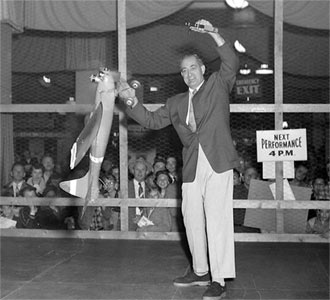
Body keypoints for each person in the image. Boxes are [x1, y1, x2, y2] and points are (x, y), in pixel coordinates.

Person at [119, 19, 239, 299]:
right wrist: (131, 101)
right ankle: (200, 271)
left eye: (193, 68)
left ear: (203, 69)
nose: (188, 74)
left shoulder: (218, 84)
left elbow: (231, 62)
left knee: (217, 221)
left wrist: (214, 34)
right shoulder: (175, 103)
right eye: (183, 71)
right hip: (193, 167)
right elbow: (149, 120)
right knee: (192, 219)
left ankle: (219, 279)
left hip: (219, 162)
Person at [128, 157, 151, 231]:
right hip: (128, 225)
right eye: (137, 169)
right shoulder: (125, 187)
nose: (140, 172)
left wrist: (142, 219)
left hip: (146, 226)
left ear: (146, 172)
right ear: (133, 171)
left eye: (143, 170)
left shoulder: (151, 187)